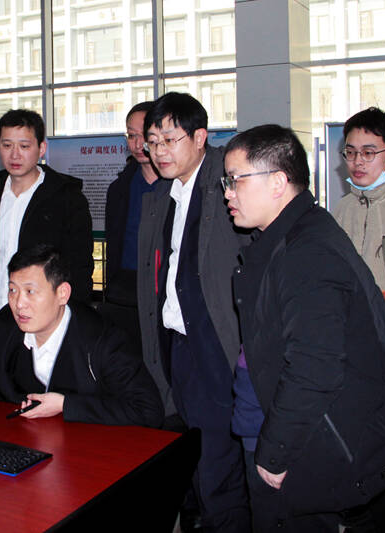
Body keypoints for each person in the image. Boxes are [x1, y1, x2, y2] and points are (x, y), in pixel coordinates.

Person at [223, 124, 385, 532]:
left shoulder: (306, 252)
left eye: (236, 180)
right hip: (277, 424)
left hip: (301, 442)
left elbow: (314, 367)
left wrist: (275, 451)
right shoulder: (287, 236)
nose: (228, 193)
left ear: (277, 183)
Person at [136, 92, 250, 532]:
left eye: (170, 139)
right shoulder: (163, 195)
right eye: (152, 141)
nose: (159, 151)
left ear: (200, 137)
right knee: (195, 462)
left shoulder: (228, 185)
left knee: (218, 468)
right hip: (177, 347)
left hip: (219, 347)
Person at [0, 244, 163, 427]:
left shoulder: (103, 339)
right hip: (27, 441)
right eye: (13, 290)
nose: (19, 304)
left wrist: (65, 404)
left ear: (62, 293)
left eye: (30, 291)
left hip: (90, 449)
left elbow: (148, 409)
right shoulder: (7, 324)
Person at [0, 109, 93, 358]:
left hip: (43, 325)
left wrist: (74, 326)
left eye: (24, 146)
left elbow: (80, 268)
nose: (15, 154)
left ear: (41, 148)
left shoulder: (66, 197)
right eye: (7, 145)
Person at [333, 107, 385, 368]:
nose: (357, 162)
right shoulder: (341, 210)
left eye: (369, 153)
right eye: (350, 152)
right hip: (348, 339)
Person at [102, 101, 160, 360]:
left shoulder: (177, 187)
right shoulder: (120, 188)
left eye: (145, 135)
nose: (138, 144)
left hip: (164, 290)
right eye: (131, 135)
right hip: (125, 291)